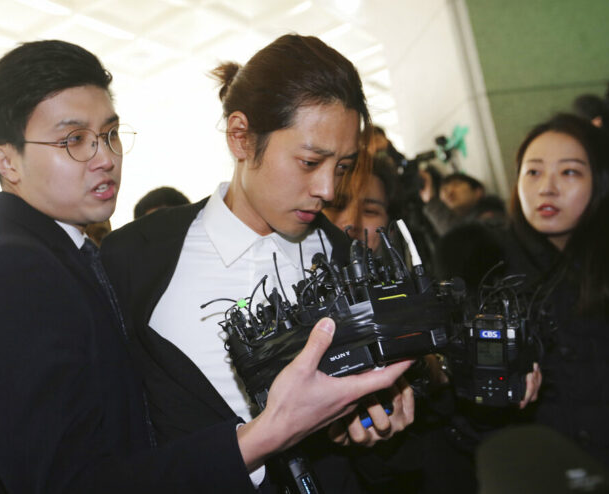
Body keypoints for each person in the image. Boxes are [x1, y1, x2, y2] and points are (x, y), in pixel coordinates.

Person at [0, 39, 410, 493]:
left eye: (109, 134)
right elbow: (68, 480)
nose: (105, 157)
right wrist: (269, 432)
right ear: (7, 161)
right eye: (73, 141)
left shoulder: (68, 256)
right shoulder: (9, 272)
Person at [101, 34, 415, 492]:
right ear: (241, 137)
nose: (328, 188)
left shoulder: (353, 264)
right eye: (310, 162)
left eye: (343, 167)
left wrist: (383, 417)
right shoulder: (137, 259)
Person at [508, 113, 609, 487]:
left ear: (603, 182)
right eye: (533, 172)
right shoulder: (489, 276)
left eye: (569, 173)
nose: (546, 188)